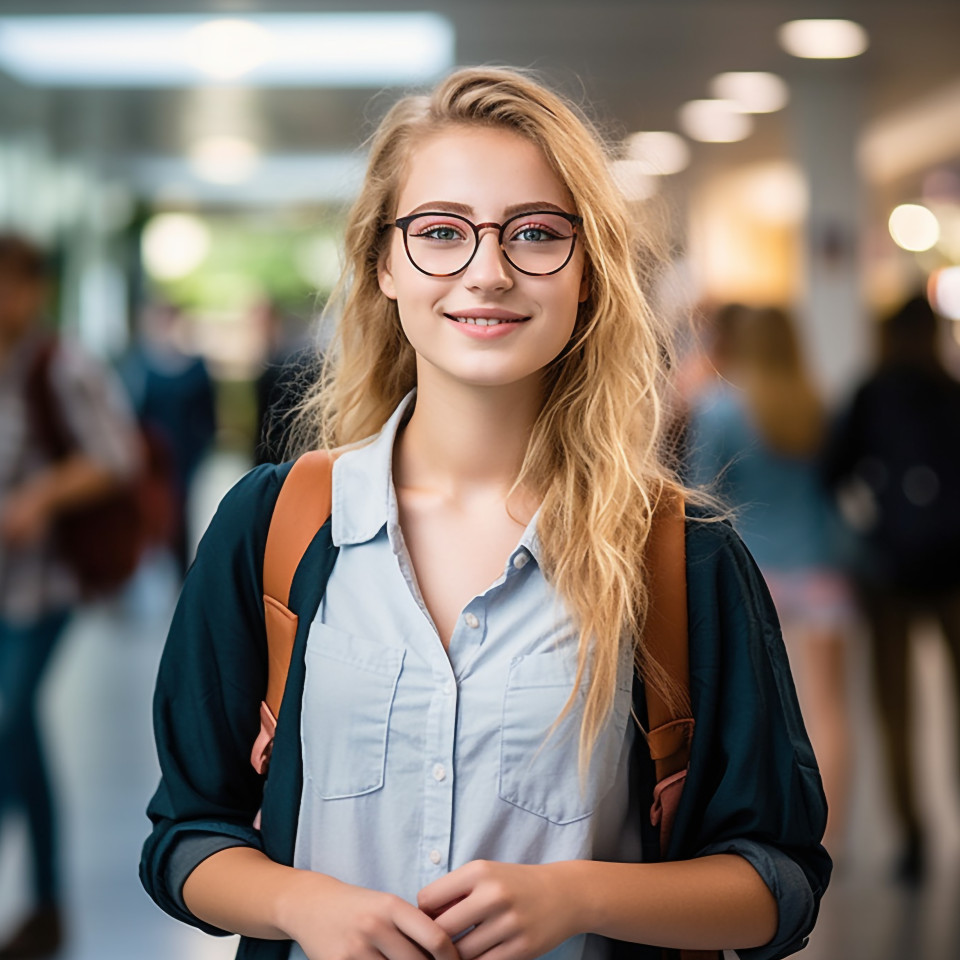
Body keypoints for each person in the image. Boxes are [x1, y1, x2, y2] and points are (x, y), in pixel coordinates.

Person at [140, 68, 830, 960]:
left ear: (587, 274)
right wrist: (303, 904)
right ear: (383, 264)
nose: (488, 271)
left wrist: (579, 894)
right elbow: (187, 835)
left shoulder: (678, 554)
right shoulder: (273, 529)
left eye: (536, 233)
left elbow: (778, 880)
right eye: (440, 232)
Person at [0, 233, 141, 958]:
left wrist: (39, 498)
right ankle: (45, 904)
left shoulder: (61, 365)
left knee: (9, 717)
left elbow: (118, 457)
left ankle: (45, 898)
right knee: (18, 738)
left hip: (43, 583)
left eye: (14, 284)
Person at [685, 305, 855, 859]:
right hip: (820, 565)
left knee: (755, 707)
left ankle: (768, 830)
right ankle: (832, 835)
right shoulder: (816, 406)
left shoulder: (719, 409)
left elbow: (698, 496)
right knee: (828, 705)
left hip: (755, 574)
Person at [822, 293, 960, 883]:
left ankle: (912, 838)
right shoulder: (954, 394)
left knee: (894, 709)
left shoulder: (869, 393)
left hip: (888, 574)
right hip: (956, 571)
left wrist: (870, 528)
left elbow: (832, 473)